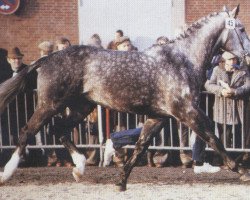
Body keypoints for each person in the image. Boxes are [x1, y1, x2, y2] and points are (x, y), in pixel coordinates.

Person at [204, 51, 250, 168]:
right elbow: (208, 85)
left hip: (238, 108)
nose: (232, 62)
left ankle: (238, 159)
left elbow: (248, 85)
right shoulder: (217, 70)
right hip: (222, 108)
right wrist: (221, 91)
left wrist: (235, 91)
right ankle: (225, 159)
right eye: (229, 60)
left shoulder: (243, 71)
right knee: (224, 134)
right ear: (222, 61)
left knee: (239, 134)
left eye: (234, 59)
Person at [6, 47, 38, 166]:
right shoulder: (4, 72)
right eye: (14, 59)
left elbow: (33, 87)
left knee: (29, 133)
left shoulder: (28, 70)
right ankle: (16, 158)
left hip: (26, 108)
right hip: (10, 110)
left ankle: (32, 159)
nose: (16, 61)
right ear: (8, 60)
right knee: (13, 134)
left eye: (19, 59)